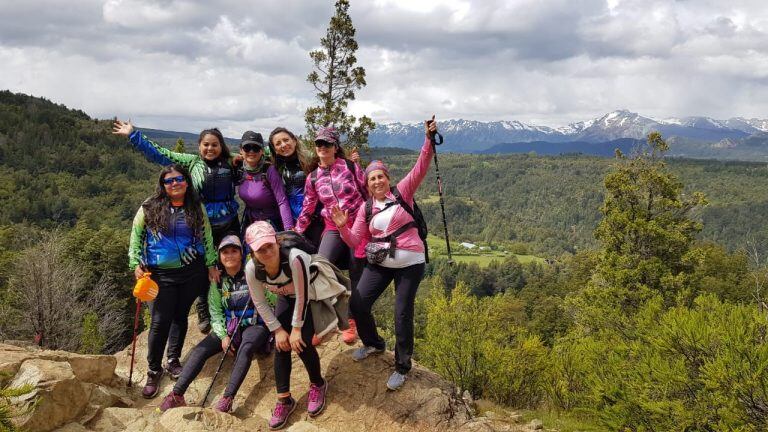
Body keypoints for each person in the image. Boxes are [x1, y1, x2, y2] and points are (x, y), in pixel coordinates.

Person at [330, 117, 438, 391]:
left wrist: (427, 139)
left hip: (410, 263)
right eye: (372, 178)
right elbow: (355, 241)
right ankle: (374, 344)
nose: (377, 181)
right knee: (358, 303)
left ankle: (402, 366)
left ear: (388, 179)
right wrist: (342, 227)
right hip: (382, 262)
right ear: (367, 184)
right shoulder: (366, 209)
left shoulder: (403, 193)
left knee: (402, 313)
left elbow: (421, 166)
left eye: (380, 176)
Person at [113, 120, 239, 333]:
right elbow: (161, 154)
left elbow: (259, 156)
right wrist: (134, 135)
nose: (210, 148)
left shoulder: (232, 163)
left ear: (222, 146)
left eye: (214, 145)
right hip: (200, 225)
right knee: (204, 268)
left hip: (229, 224)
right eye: (206, 144)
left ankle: (233, 305)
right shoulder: (191, 163)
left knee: (232, 265)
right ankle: (204, 309)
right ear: (199, 146)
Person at [128, 164, 218, 399]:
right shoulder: (149, 207)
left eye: (179, 179)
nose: (175, 183)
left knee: (180, 316)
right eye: (169, 181)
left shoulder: (195, 207)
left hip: (192, 271)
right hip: (160, 273)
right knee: (159, 321)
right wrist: (135, 262)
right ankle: (153, 370)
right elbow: (136, 236)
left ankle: (173, 359)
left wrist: (210, 263)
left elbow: (207, 236)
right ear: (163, 185)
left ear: (187, 182)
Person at [158, 235, 273, 413]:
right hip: (230, 327)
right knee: (199, 351)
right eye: (225, 252)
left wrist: (263, 282)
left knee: (246, 347)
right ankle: (176, 395)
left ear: (241, 254)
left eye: (234, 251)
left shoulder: (254, 273)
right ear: (219, 256)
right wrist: (223, 336)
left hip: (255, 324)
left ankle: (227, 398)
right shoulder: (218, 282)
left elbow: (272, 299)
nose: (229, 255)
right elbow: (216, 311)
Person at [244, 221, 329, 430]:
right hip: (284, 295)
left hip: (309, 294)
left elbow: (302, 296)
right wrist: (278, 330)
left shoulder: (294, 258)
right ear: (253, 252)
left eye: (269, 246)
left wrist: (296, 329)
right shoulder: (252, 268)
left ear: (276, 242)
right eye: (260, 249)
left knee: (302, 343)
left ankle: (318, 384)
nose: (266, 252)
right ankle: (284, 399)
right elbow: (259, 302)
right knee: (281, 345)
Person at [294, 126, 367, 344]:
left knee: (356, 271)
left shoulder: (351, 168)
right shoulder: (313, 178)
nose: (322, 147)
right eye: (318, 144)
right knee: (320, 268)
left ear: (335, 147)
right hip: (333, 227)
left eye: (326, 144)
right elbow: (307, 208)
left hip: (358, 224)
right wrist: (295, 232)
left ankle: (351, 321)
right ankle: (324, 322)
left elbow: (367, 193)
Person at [237, 131, 294, 236]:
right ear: (241, 150)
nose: (251, 151)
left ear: (262, 151)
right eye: (247, 148)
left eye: (256, 148)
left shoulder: (269, 170)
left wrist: (288, 230)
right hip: (250, 221)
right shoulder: (240, 169)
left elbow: (282, 201)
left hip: (272, 223)